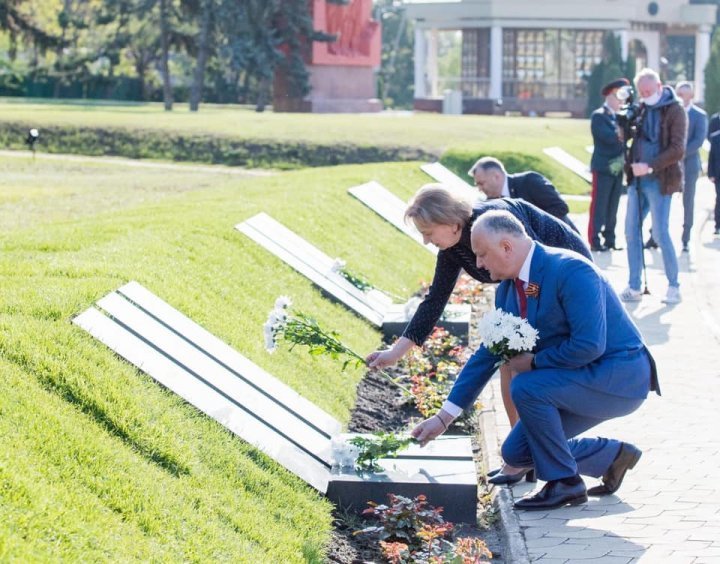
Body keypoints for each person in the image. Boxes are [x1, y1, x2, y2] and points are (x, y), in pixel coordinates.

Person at [412, 210, 660, 511]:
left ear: (506, 247)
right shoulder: (508, 289)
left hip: (619, 376)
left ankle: (565, 483)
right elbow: (488, 354)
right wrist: (443, 417)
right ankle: (612, 456)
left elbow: (590, 345)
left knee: (527, 386)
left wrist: (535, 362)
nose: (477, 264)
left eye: (481, 254)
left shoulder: (570, 270)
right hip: (577, 379)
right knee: (515, 453)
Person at [366, 183, 590, 483]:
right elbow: (435, 300)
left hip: (566, 284)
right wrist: (395, 352)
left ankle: (529, 457)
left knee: (520, 367)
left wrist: (521, 320)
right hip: (528, 291)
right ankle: (523, 455)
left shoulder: (492, 222)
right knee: (510, 363)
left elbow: (538, 266)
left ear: (451, 222)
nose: (425, 240)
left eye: (428, 232)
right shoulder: (454, 247)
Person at [621, 68, 687, 304]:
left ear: (659, 87)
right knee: (630, 232)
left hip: (661, 180)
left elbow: (678, 149)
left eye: (648, 91)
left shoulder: (675, 110)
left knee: (660, 232)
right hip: (636, 181)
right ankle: (634, 285)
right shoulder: (640, 108)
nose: (645, 95)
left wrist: (649, 166)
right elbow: (629, 138)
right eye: (641, 92)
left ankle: (674, 285)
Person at [646, 82, 707, 253]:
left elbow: (698, 141)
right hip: (668, 165)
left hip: (689, 164)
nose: (680, 95)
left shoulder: (699, 115)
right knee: (661, 199)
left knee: (688, 201)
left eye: (684, 93)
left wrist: (677, 152)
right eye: (679, 92)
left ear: (691, 96)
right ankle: (654, 235)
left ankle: (686, 238)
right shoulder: (667, 111)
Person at [468, 156, 578, 232]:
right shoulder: (490, 202)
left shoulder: (529, 181)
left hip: (565, 247)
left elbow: (561, 208)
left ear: (496, 176)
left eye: (481, 183)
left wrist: (529, 224)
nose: (479, 189)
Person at [588, 78, 628, 252]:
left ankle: (610, 239)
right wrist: (623, 132)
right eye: (618, 95)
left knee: (613, 206)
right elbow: (611, 138)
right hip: (603, 167)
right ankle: (594, 240)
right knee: (599, 205)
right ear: (610, 95)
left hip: (617, 168)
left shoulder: (620, 117)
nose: (621, 100)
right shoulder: (599, 116)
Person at [707, 124, 720, 236]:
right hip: (718, 175)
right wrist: (710, 174)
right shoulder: (715, 137)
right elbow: (711, 157)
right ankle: (718, 225)